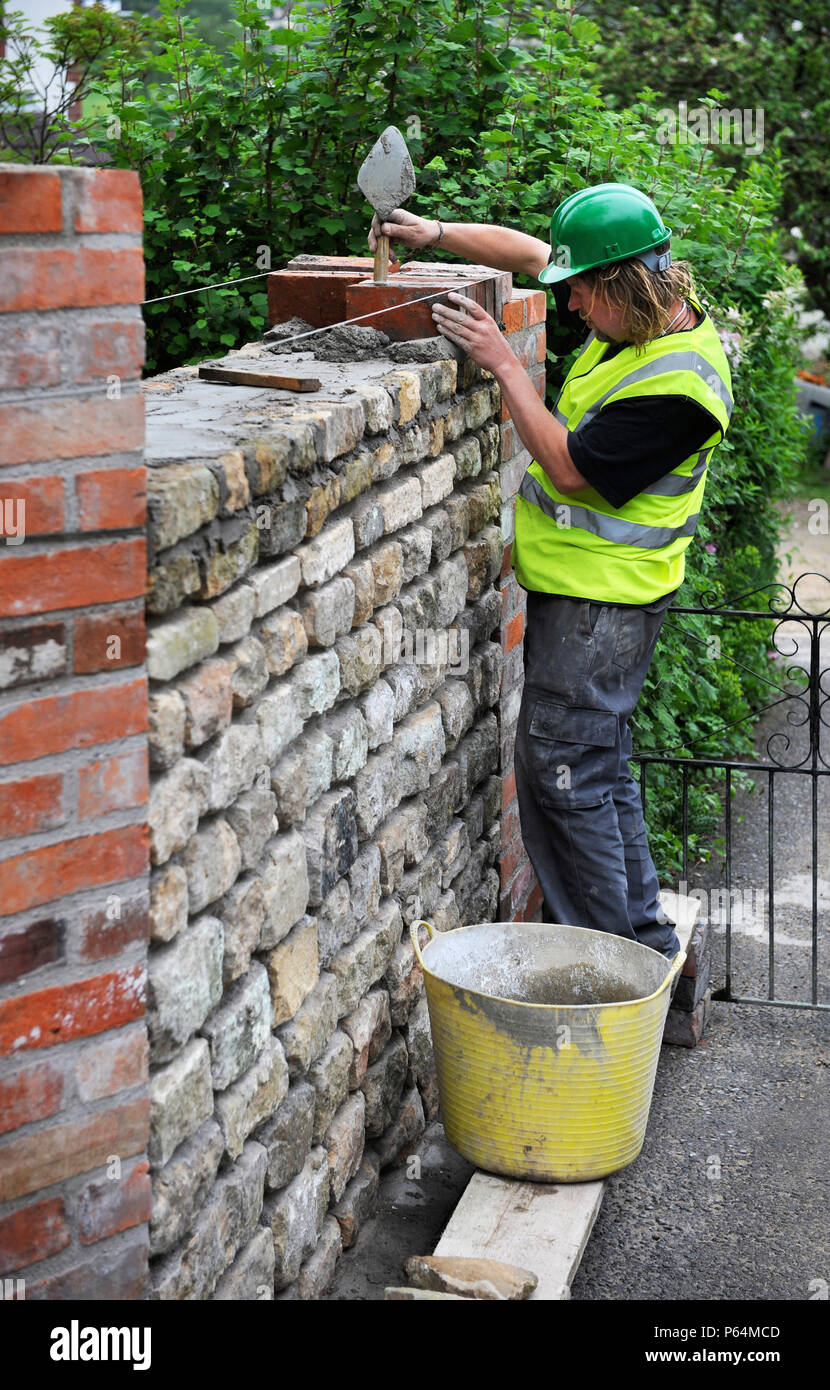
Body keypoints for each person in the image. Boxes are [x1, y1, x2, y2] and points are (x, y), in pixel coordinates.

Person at [368, 182, 733, 959]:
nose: (568, 309)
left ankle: (610, 970)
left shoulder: (682, 389)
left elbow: (569, 470)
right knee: (595, 774)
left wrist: (504, 363)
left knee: (564, 783)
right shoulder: (640, 306)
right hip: (595, 604)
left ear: (623, 286)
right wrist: (433, 231)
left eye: (580, 297)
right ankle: (649, 948)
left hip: (603, 612)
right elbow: (533, 254)